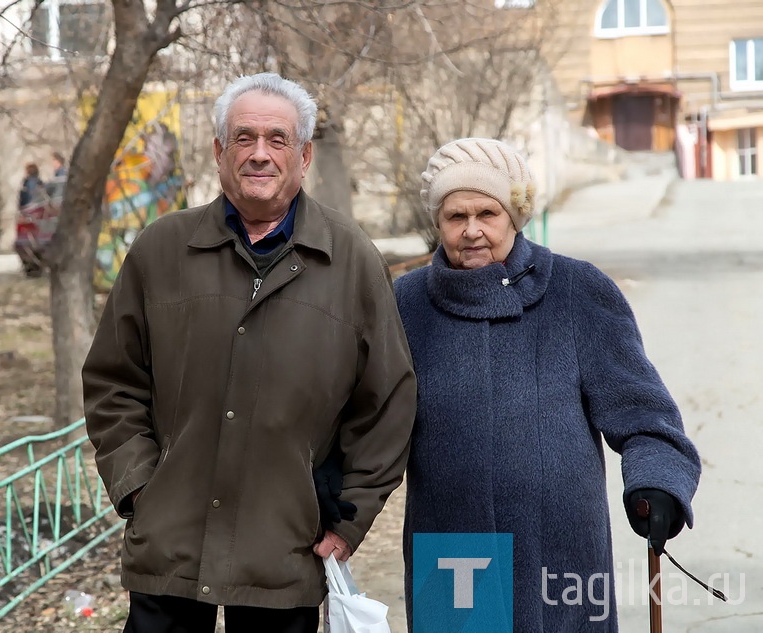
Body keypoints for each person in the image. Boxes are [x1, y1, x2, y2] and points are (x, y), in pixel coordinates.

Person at [82, 72, 417, 633]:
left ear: (304, 156)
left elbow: (387, 402)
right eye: (243, 138)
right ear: (218, 152)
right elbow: (113, 383)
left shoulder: (351, 259)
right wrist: (142, 489)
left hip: (286, 551)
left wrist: (350, 518)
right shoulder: (161, 250)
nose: (260, 154)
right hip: (169, 548)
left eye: (277, 139)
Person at [395, 138, 701, 632]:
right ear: (438, 222)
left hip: (560, 550)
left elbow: (647, 417)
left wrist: (658, 481)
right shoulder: (406, 305)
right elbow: (369, 421)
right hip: (451, 551)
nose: (472, 231)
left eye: (487, 213)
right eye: (456, 217)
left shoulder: (577, 291)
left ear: (514, 216)